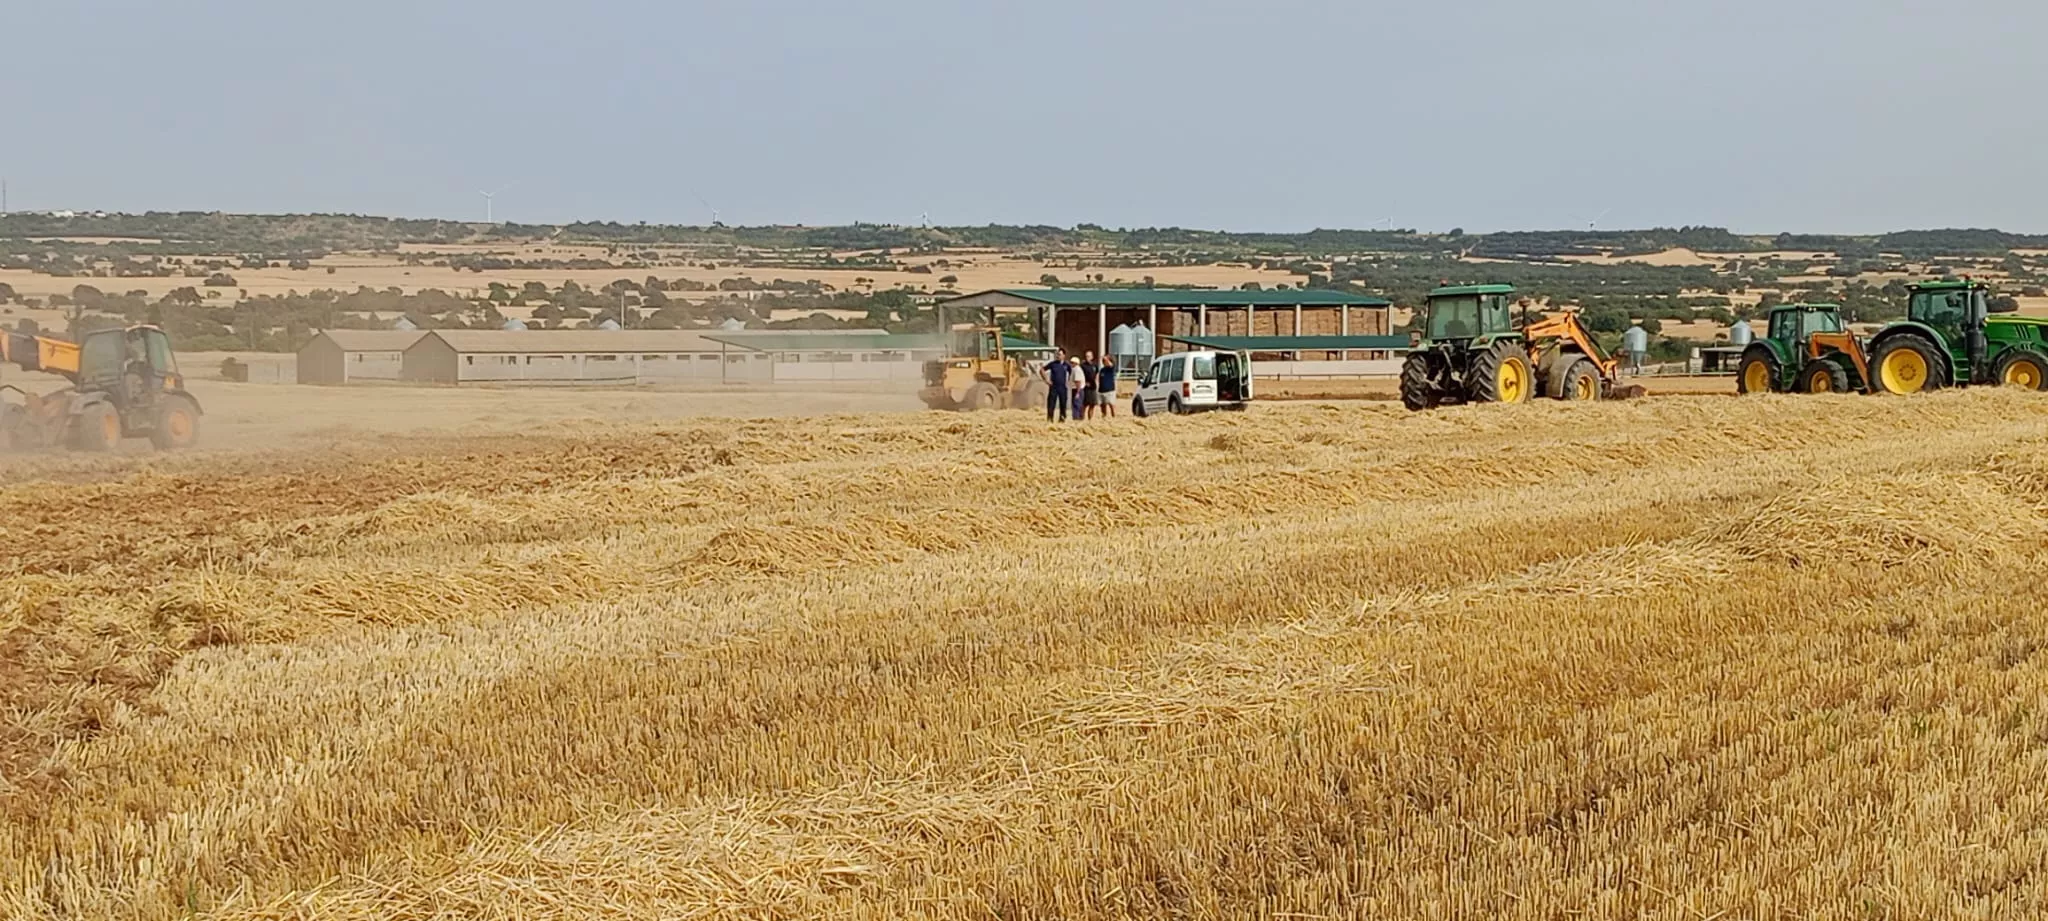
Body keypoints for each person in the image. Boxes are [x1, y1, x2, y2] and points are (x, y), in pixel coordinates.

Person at [1041, 348, 1071, 421]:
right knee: (1051, 403)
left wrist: (1069, 382)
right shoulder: (1053, 364)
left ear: (1064, 355)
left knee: (1063, 404)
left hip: (1063, 387)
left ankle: (1062, 418)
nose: (1058, 356)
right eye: (1057, 354)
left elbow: (1071, 374)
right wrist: (1046, 380)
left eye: (1060, 354)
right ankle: (1050, 418)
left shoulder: (1067, 365)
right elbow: (1042, 370)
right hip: (1053, 386)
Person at [1079, 350, 1098, 418]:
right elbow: (1080, 375)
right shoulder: (1082, 366)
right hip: (1086, 388)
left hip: (1093, 387)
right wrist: (1084, 383)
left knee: (1092, 404)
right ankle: (1082, 418)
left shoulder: (1095, 365)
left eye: (1089, 356)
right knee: (1084, 404)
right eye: (1086, 356)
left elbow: (1096, 373)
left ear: (1092, 357)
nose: (1087, 357)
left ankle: (1090, 420)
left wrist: (1096, 381)